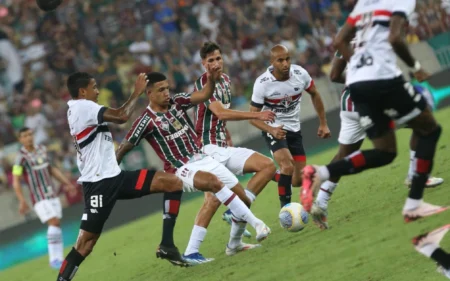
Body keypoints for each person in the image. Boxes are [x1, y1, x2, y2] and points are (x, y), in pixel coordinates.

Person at [301, 0, 447, 236]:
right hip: (382, 84)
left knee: (370, 152)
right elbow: (396, 39)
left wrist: (359, 68)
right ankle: (415, 181)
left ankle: (321, 194)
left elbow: (336, 68)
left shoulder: (360, 13)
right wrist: (416, 67)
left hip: (353, 97)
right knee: (425, 125)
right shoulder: (399, 3)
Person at [115, 71, 271, 266]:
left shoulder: (177, 102)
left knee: (243, 199)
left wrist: (212, 81)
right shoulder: (145, 121)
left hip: (203, 158)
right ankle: (257, 224)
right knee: (214, 183)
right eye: (161, 90)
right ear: (149, 93)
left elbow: (204, 95)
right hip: (180, 168)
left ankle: (230, 245)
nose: (166, 93)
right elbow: (124, 147)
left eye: (167, 88)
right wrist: (111, 172)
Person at [311, 51, 444, 229]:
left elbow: (334, 75)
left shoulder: (347, 35)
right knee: (421, 125)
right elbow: (395, 46)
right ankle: (415, 177)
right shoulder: (378, 30)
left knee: (344, 154)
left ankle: (320, 201)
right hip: (374, 99)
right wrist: (415, 69)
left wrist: (355, 80)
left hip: (349, 103)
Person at [181, 42, 276, 263]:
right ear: (204, 64)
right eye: (211, 60)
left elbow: (220, 120)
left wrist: (229, 139)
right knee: (213, 201)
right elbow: (221, 113)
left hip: (223, 146)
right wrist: (256, 115)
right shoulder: (203, 83)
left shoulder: (225, 81)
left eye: (218, 58)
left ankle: (234, 239)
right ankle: (191, 252)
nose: (216, 63)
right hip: (206, 149)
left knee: (267, 166)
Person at [249, 44, 331, 209]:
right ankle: (286, 210)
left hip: (294, 129)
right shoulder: (262, 83)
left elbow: (315, 93)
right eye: (280, 60)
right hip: (274, 129)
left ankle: (270, 173)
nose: (285, 64)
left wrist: (323, 123)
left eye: (287, 59)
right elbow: (252, 117)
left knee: (297, 180)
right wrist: (271, 129)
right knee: (287, 166)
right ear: (272, 62)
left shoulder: (300, 74)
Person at [13, 127, 76, 270]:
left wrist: (67, 183)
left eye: (30, 134)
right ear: (20, 139)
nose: (29, 137)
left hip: (51, 193)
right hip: (38, 197)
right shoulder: (20, 157)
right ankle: (54, 259)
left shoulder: (42, 149)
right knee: (53, 221)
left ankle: (58, 258)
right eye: (25, 136)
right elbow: (16, 180)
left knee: (56, 224)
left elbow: (52, 169)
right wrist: (22, 200)